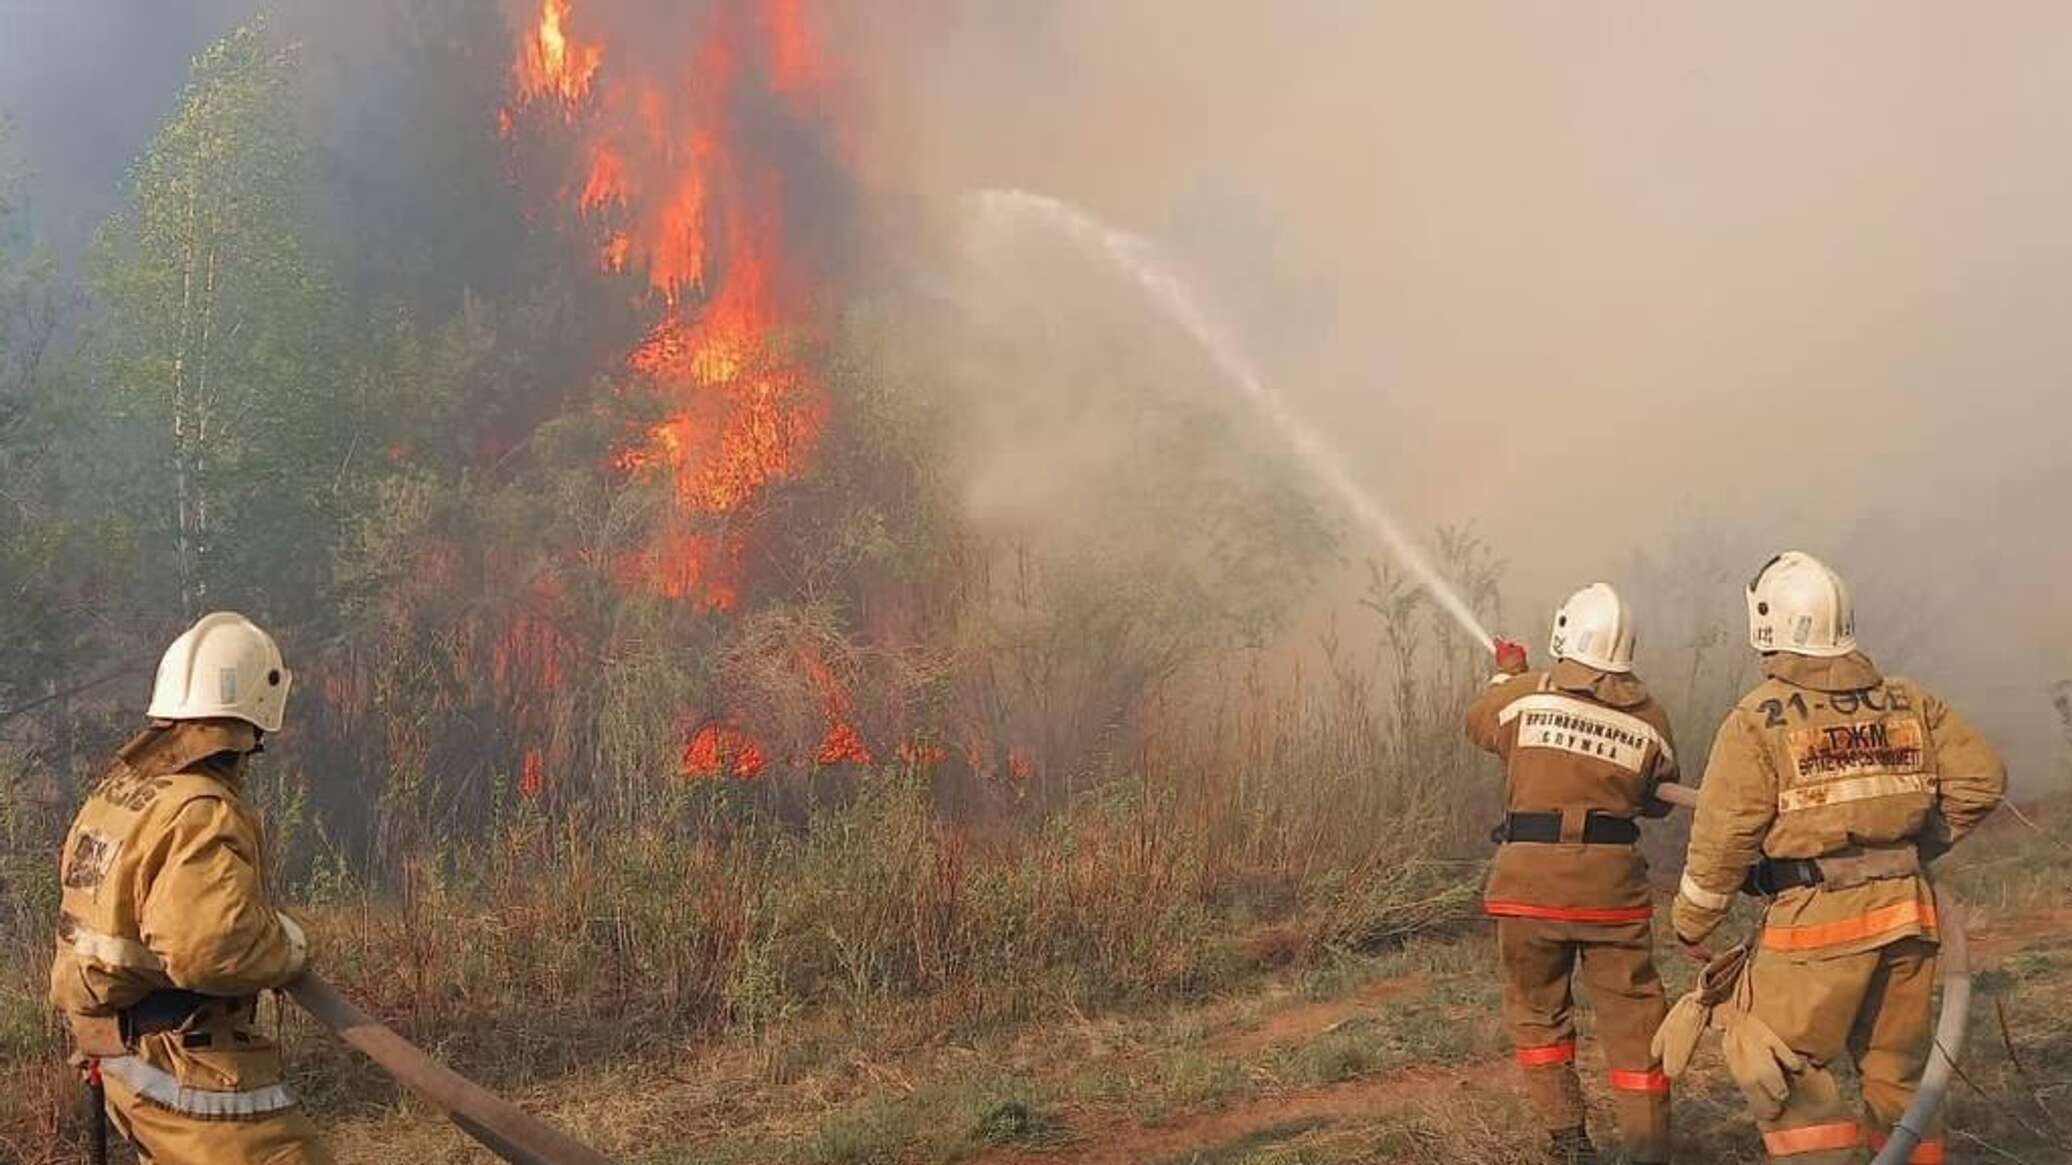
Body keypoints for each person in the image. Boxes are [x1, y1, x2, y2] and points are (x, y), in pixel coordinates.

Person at [1672, 552, 2006, 1164]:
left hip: (1814, 931)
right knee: (1900, 1078)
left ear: (1768, 624)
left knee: (1786, 1072)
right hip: (1909, 917)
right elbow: (1981, 780)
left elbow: (1724, 835)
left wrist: (1693, 921)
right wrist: (1911, 849)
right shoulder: (1910, 702)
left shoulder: (1757, 720)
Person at [50, 612, 327, 1163]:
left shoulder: (125, 793)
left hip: (116, 1049)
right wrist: (291, 947)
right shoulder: (200, 811)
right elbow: (212, 952)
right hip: (182, 1061)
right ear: (254, 716)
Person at [1467, 583, 1679, 1164]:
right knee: (1637, 1023)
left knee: (1538, 1013)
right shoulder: (1651, 716)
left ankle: (1569, 1142)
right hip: (1613, 896)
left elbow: (1481, 724)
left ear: (1566, 634)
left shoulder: (1526, 695)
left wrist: (1508, 674)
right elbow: (1657, 800)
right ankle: (1647, 1151)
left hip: (1528, 889)